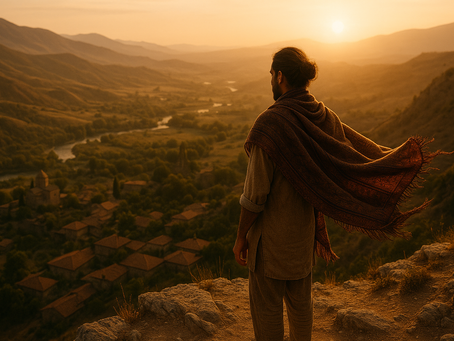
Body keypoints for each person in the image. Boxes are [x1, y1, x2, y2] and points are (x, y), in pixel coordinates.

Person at [233, 47, 444, 341]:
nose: (270, 79)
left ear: (280, 76)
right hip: (302, 240)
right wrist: (394, 162)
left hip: (269, 244)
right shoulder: (324, 116)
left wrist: (241, 235)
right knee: (301, 309)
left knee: (267, 312)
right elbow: (358, 154)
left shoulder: (270, 125)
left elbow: (255, 196)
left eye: (271, 74)